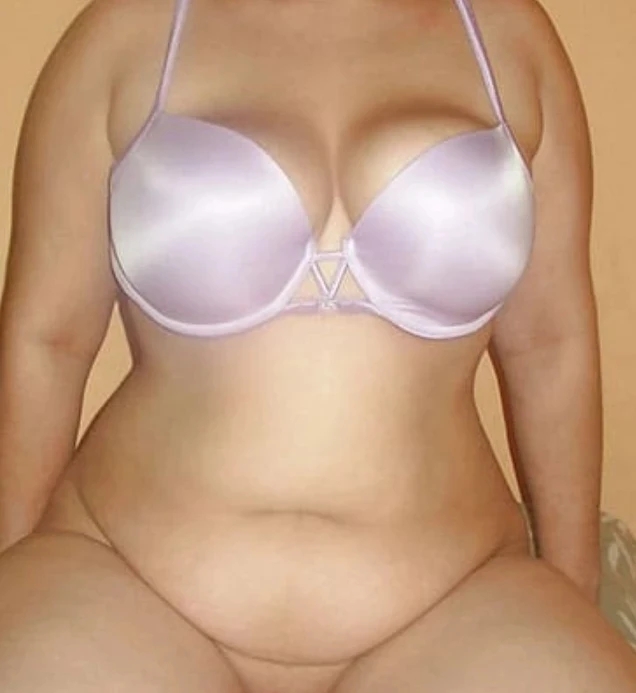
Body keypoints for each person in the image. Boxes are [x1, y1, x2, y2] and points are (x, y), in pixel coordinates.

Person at [0, 0, 635, 690]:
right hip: (125, 581)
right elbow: (48, 339)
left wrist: (574, 588)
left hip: (457, 598)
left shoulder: (508, 34)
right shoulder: (130, 29)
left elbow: (549, 343)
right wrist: (19, 572)